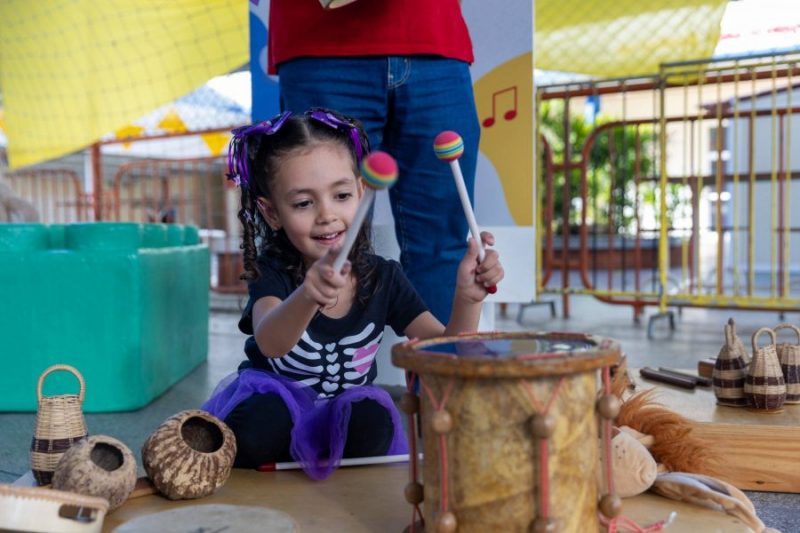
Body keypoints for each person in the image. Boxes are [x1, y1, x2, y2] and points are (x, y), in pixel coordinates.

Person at [202, 109, 503, 480]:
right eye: (302, 203)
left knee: (373, 424)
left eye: (341, 195)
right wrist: (307, 296)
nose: (327, 215)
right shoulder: (273, 271)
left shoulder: (384, 277)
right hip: (278, 396)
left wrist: (467, 298)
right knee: (256, 428)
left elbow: (446, 349)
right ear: (272, 212)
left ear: (362, 193)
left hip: (347, 405)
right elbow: (271, 342)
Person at [267, 0, 480, 323]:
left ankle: (438, 373)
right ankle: (311, 376)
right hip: (319, 40)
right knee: (319, 245)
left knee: (443, 249)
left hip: (434, 35)